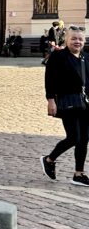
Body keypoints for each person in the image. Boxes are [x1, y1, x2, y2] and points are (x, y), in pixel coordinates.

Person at [41, 24, 89, 187]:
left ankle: (79, 173)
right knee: (74, 137)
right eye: (74, 39)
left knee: (84, 139)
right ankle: (49, 159)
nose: (77, 42)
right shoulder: (58, 56)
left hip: (85, 103)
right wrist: (50, 100)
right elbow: (50, 79)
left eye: (80, 39)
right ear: (67, 40)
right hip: (67, 102)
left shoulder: (85, 57)